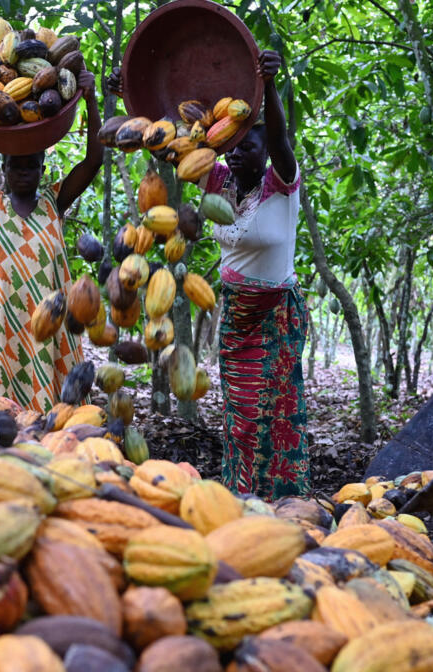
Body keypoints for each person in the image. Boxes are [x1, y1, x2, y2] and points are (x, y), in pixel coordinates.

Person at [106, 49, 308, 499]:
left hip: (276, 314)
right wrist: (130, 101)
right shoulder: (217, 181)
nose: (235, 156)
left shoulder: (283, 184)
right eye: (231, 149)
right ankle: (240, 494)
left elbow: (280, 143)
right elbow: (165, 142)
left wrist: (268, 86)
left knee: (272, 411)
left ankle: (283, 496)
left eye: (246, 148)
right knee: (239, 415)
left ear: (264, 153)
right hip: (237, 316)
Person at [0, 70, 103, 412]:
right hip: (2, 321)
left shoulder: (54, 202)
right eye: (16, 165)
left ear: (43, 170)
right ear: (5, 171)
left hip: (47, 323)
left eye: (32, 165)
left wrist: (90, 99)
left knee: (51, 414)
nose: (23, 171)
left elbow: (93, 161)